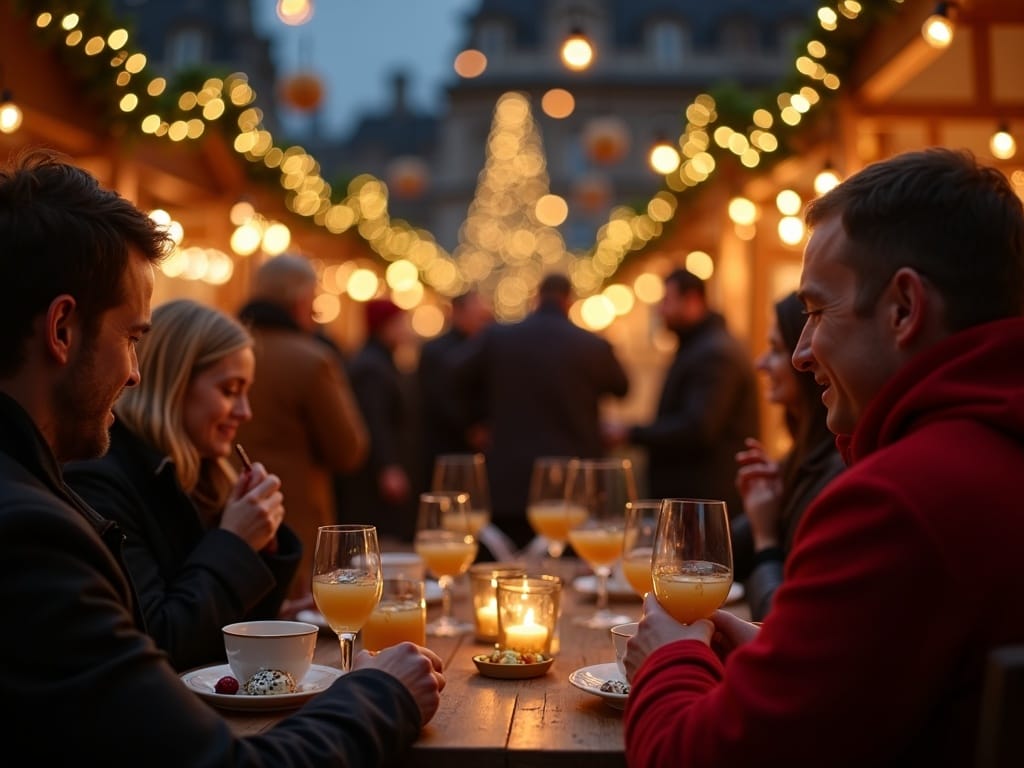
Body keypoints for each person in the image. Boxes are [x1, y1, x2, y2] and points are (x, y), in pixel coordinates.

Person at [0, 150, 444, 765]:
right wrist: (381, 693)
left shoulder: (57, 493)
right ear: (62, 330)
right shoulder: (33, 534)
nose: (134, 373)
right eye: (131, 338)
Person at [623, 148, 1024, 767]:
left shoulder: (899, 502)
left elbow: (691, 758)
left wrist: (667, 658)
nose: (802, 352)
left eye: (815, 311)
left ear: (904, 308)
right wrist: (778, 649)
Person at [64, 299, 301, 671]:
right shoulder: (103, 479)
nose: (245, 411)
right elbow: (162, 639)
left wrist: (264, 549)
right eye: (229, 390)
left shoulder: (207, 477)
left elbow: (233, 634)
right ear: (174, 384)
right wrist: (236, 543)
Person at [455, 273, 629, 548]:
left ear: (536, 297)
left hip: (510, 480)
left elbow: (451, 378)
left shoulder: (498, 338)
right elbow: (622, 388)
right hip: (576, 485)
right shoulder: (592, 345)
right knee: (570, 575)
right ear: (569, 301)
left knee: (512, 568)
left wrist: (473, 423)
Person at [237, 253, 369, 611]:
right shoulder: (311, 359)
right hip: (297, 526)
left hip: (229, 516)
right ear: (301, 302)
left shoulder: (226, 349)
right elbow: (348, 449)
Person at [605, 268, 760, 514]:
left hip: (703, 503)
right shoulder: (699, 347)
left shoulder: (714, 354)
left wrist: (630, 433)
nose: (661, 310)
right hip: (694, 499)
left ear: (693, 301)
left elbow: (698, 427)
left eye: (667, 301)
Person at [729, 291, 845, 621]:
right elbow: (713, 559)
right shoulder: (803, 458)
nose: (760, 363)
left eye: (775, 349)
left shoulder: (836, 468)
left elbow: (782, 622)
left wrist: (765, 535)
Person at [338, 297, 417, 542]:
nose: (405, 330)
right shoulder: (371, 366)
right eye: (400, 323)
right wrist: (388, 467)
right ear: (385, 326)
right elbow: (374, 421)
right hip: (373, 476)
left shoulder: (380, 360)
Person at [417, 289, 493, 481]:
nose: (481, 321)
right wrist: (470, 429)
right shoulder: (436, 350)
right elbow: (437, 396)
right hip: (445, 444)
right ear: (458, 312)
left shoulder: (482, 346)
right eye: (477, 314)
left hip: (477, 446)